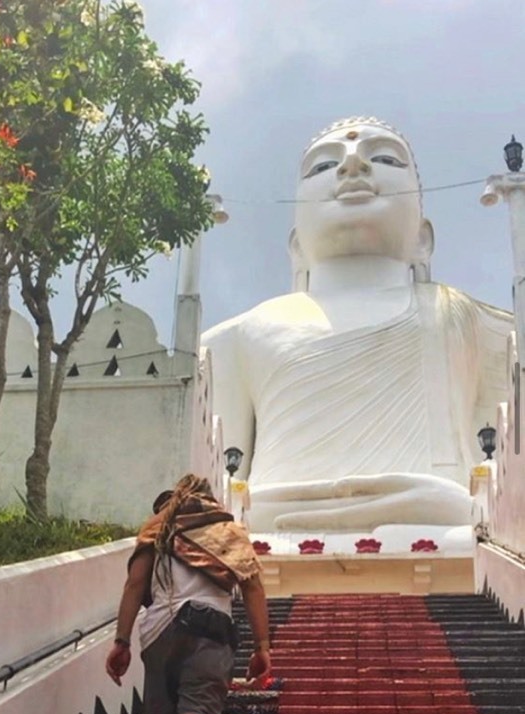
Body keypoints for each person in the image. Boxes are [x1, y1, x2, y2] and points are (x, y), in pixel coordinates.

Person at [202, 117, 513, 534]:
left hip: (439, 518)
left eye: (383, 157)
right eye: (322, 166)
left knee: (454, 505)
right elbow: (225, 471)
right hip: (273, 519)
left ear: (423, 239)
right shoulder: (241, 334)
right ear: (296, 247)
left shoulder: (464, 318)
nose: (352, 168)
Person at [105, 473, 271, 714]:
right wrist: (262, 646)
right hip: (209, 624)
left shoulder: (156, 529)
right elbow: (253, 585)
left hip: (158, 630)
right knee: (197, 710)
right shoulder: (225, 528)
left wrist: (121, 641)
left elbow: (135, 585)